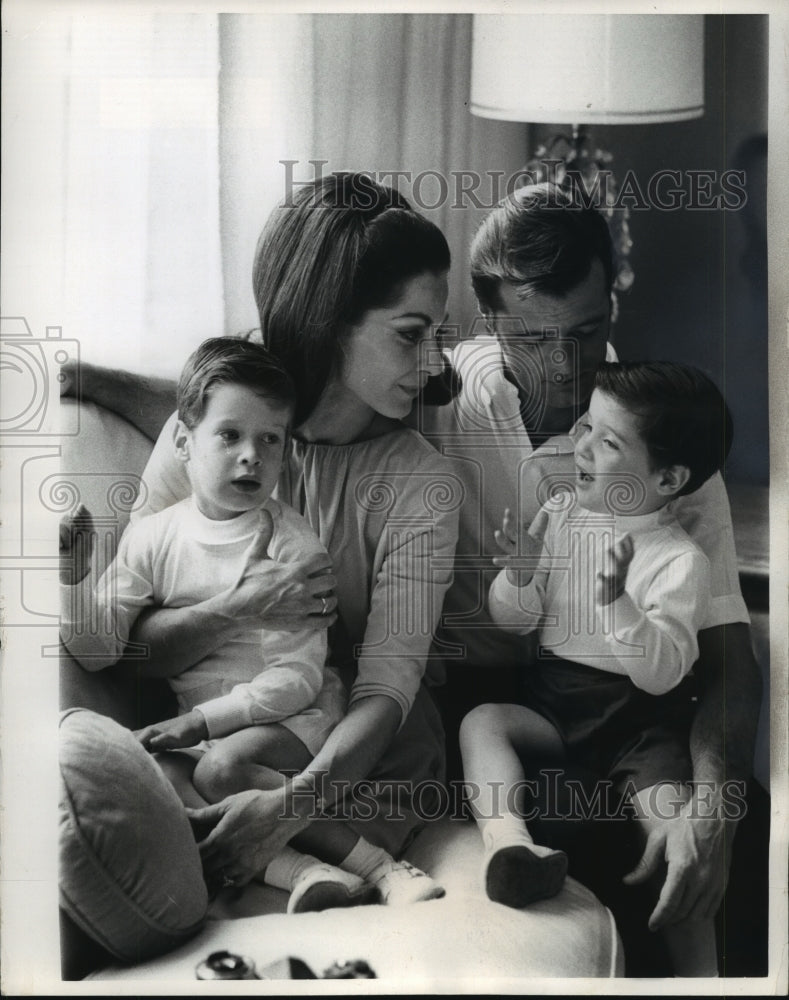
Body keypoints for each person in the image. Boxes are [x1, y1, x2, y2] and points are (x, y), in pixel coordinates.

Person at [61, 173, 461, 904]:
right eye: (410, 336)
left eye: (436, 336)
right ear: (328, 318)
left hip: (361, 750)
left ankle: (351, 866)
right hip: (217, 728)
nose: (433, 365)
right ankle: (299, 870)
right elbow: (135, 651)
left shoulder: (419, 482)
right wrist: (239, 606)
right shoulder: (219, 425)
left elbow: (387, 685)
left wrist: (289, 807)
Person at [416, 183, 763, 972]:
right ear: (489, 318)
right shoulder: (439, 394)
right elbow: (288, 390)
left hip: (627, 705)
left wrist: (717, 815)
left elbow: (724, 651)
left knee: (731, 834)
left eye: (589, 330)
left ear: (612, 298)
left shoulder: (655, 437)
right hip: (493, 702)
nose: (568, 368)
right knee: (576, 824)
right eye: (536, 339)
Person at [460, 360, 733, 976]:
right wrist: (522, 576)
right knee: (483, 721)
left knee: (672, 832)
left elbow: (664, 674)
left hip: (641, 726)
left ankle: (704, 976)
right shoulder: (560, 518)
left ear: (668, 477)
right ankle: (509, 843)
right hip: (558, 703)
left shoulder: (677, 560)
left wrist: (619, 607)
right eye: (585, 425)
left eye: (607, 442)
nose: (580, 446)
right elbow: (516, 621)